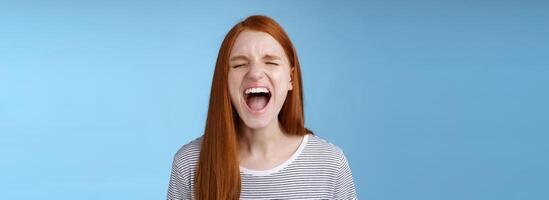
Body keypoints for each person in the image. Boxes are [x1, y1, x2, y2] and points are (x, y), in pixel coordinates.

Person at [167, 15, 357, 199]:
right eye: (240, 64)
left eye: (271, 62)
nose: (255, 73)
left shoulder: (331, 163)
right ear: (224, 80)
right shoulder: (189, 164)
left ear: (291, 78)